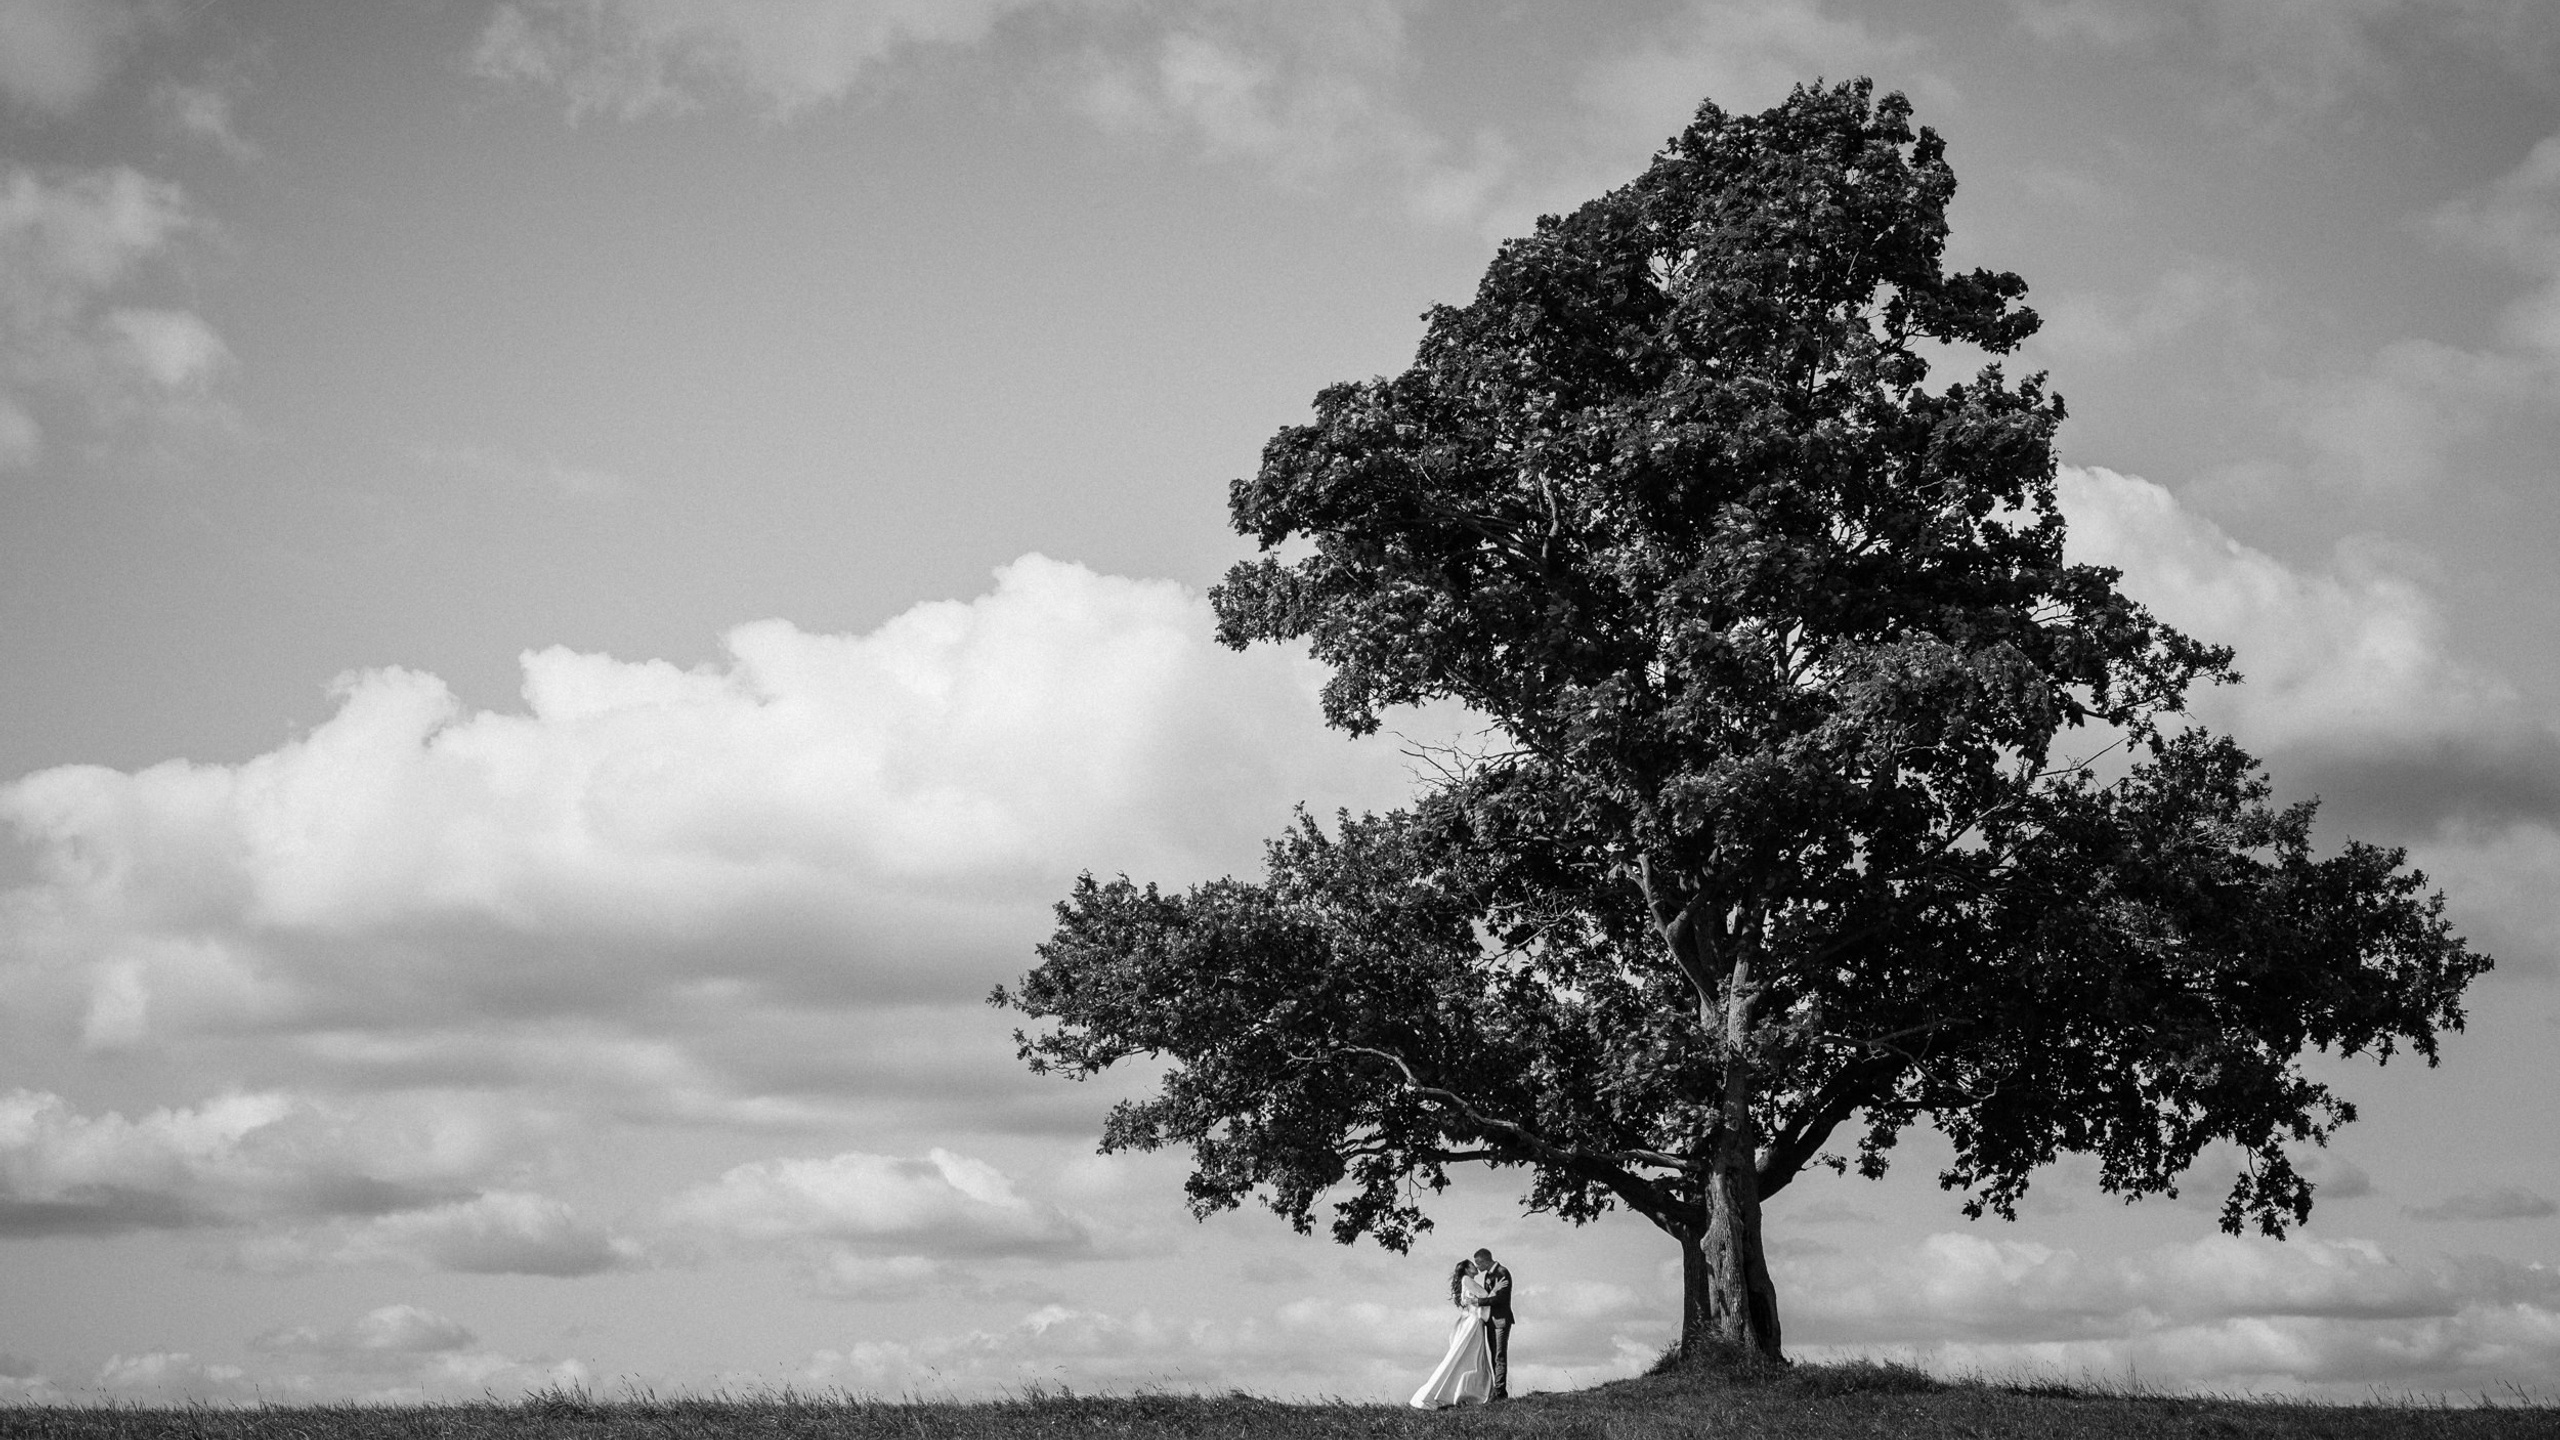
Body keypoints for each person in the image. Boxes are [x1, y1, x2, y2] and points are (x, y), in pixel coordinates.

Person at [1408, 1257, 1496, 1408]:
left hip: (1471, 1320)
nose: (1476, 1267)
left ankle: (1466, 1390)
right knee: (1471, 1356)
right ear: (1468, 1269)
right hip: (1473, 1322)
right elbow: (1484, 1295)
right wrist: (1497, 1288)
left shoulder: (1466, 1280)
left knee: (1466, 1356)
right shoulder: (1467, 1280)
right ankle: (1469, 1392)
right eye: (1472, 1265)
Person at [1473, 1247, 1513, 1399]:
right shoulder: (1489, 1275)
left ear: (1485, 1260)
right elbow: (1490, 1294)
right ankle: (1498, 1390)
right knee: (1494, 1354)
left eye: (1478, 1263)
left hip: (1501, 1319)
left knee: (1499, 1355)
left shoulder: (1502, 1272)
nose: (1477, 1267)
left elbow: (1500, 1299)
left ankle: (1500, 1392)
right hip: (1491, 1320)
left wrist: (1479, 1302)